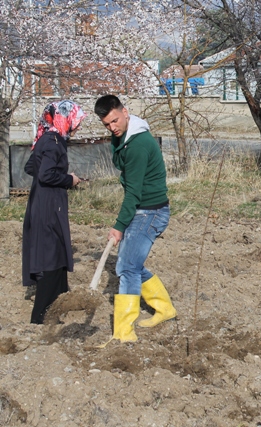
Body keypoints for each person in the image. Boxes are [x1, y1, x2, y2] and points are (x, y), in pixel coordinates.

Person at [94, 95, 176, 343]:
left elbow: (133, 193)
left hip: (150, 212)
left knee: (127, 268)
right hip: (143, 210)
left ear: (126, 112)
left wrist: (119, 226)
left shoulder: (138, 145)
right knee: (131, 264)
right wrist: (115, 136)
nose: (112, 127)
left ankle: (123, 331)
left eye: (115, 121)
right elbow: (120, 163)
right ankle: (165, 309)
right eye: (107, 125)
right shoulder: (125, 138)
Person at [22, 100, 86, 324]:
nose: (77, 126)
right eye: (76, 121)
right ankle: (41, 315)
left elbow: (31, 167)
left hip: (41, 202)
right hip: (50, 205)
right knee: (51, 255)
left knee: (56, 252)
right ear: (64, 118)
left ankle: (55, 308)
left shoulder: (45, 138)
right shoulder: (55, 141)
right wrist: (70, 179)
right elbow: (46, 175)